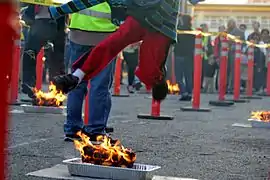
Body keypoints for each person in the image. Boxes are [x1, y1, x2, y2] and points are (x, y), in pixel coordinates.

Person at [48, 0, 205, 101]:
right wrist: (58, 11)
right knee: (112, 43)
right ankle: (76, 77)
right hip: (139, 16)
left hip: (161, 26)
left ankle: (157, 78)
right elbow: (88, 1)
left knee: (148, 71)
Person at [63, 2, 117, 141]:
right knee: (100, 85)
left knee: (76, 82)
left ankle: (72, 129)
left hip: (79, 31)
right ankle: (95, 130)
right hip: (106, 34)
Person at [21, 4, 66, 98]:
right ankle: (57, 91)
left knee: (30, 55)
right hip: (57, 21)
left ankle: (29, 85)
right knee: (56, 59)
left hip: (42, 22)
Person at [174, 14, 195, 101]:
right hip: (188, 56)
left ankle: (184, 92)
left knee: (179, 76)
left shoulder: (178, 30)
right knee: (188, 76)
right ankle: (189, 93)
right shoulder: (192, 31)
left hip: (179, 54)